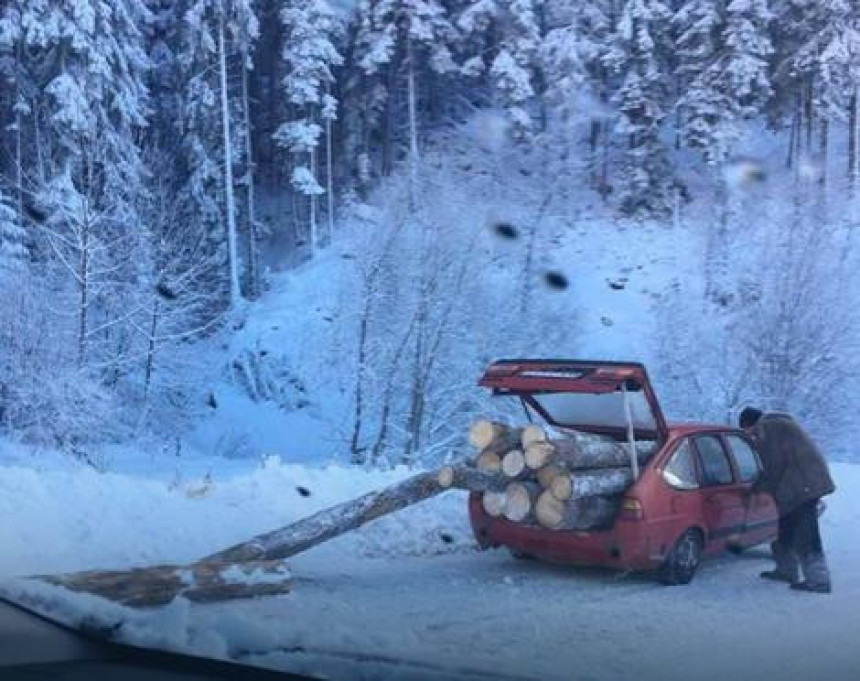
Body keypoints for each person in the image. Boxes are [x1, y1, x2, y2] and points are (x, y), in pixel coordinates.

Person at [739, 407, 835, 593]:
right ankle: (786, 570)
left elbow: (773, 467)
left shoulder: (770, 428)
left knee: (806, 534)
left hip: (802, 488)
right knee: (784, 528)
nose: (750, 437)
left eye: (747, 432)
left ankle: (819, 581)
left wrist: (756, 489)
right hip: (802, 484)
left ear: (749, 424)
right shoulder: (779, 424)